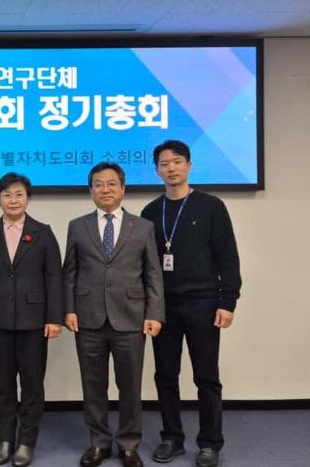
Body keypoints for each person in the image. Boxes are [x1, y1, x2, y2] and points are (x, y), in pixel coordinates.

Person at [140, 140, 241, 467]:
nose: (171, 168)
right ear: (157, 170)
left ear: (189, 165)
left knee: (206, 377)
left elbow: (228, 257)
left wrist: (227, 301)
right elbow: (144, 266)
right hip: (163, 307)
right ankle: (172, 438)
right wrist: (147, 307)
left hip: (204, 303)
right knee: (165, 375)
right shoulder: (150, 212)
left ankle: (210, 443)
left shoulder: (211, 206)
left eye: (177, 161)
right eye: (164, 163)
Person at [63, 162, 165, 467]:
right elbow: (69, 273)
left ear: (122, 188)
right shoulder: (77, 226)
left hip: (131, 318)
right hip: (88, 317)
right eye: (98, 184)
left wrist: (155, 313)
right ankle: (99, 442)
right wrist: (68, 309)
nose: (105, 189)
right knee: (93, 386)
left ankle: (129, 444)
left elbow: (153, 273)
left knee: (130, 387)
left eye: (111, 184)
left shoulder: (143, 227)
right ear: (90, 190)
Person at [0, 173, 63, 467]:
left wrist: (54, 318)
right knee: (3, 383)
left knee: (32, 384)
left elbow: (54, 277)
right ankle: (5, 439)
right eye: (7, 195)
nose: (13, 200)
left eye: (19, 194)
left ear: (28, 198)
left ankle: (26, 442)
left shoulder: (43, 232)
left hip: (35, 322)